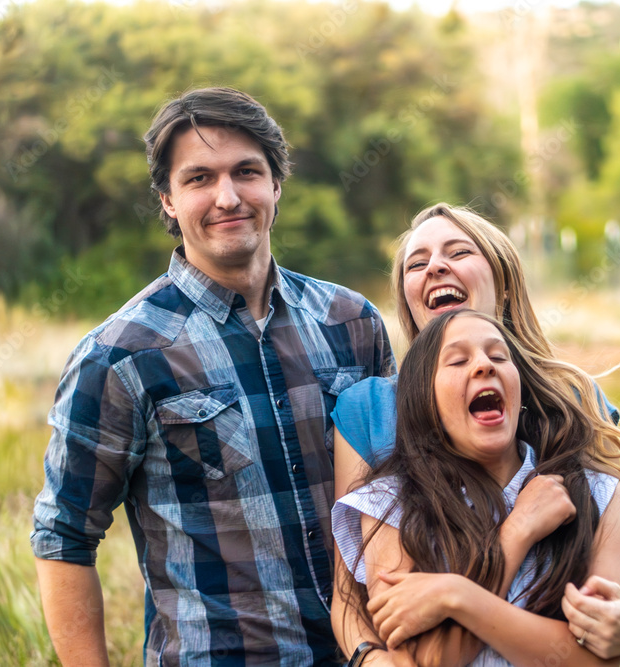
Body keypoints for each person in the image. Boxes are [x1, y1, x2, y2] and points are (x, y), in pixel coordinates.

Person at [30, 87, 395, 666]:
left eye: (246, 172)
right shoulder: (120, 355)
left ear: (276, 185)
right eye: (199, 178)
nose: (228, 197)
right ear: (168, 200)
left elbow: (403, 493)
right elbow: (63, 537)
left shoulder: (352, 323)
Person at [331, 204, 620, 665]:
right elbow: (352, 590)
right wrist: (372, 659)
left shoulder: (572, 399)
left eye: (459, 252)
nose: (435, 267)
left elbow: (606, 548)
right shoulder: (371, 413)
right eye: (417, 264)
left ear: (502, 283)